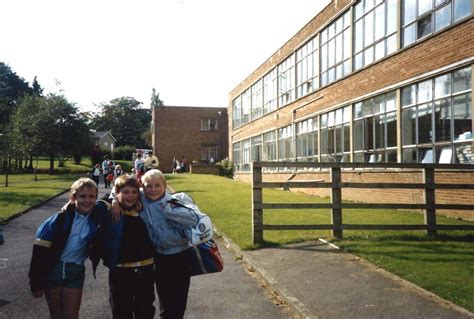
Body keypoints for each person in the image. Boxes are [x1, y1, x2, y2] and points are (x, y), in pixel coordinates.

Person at [112, 169, 198, 318]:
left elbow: (193, 219)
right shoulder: (142, 198)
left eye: (157, 185)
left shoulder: (176, 201)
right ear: (143, 188)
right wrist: (114, 201)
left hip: (179, 256)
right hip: (158, 257)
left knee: (177, 301)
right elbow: (120, 188)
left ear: (165, 186)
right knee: (163, 300)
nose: (153, 190)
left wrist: (169, 211)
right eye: (148, 186)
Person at [28, 178, 109, 319]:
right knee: (56, 314)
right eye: (82, 196)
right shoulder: (58, 221)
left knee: (71, 314)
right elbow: (39, 253)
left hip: (75, 271)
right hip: (53, 270)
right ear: (73, 198)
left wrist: (110, 204)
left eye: (92, 197)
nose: (87, 200)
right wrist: (35, 283)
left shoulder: (96, 214)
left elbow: (112, 197)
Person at [91, 175, 155, 319]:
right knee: (121, 310)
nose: (130, 196)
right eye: (125, 192)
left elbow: (160, 194)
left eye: (134, 192)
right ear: (117, 192)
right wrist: (113, 200)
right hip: (120, 271)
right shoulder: (110, 210)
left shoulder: (142, 208)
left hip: (145, 270)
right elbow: (95, 206)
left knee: (145, 310)